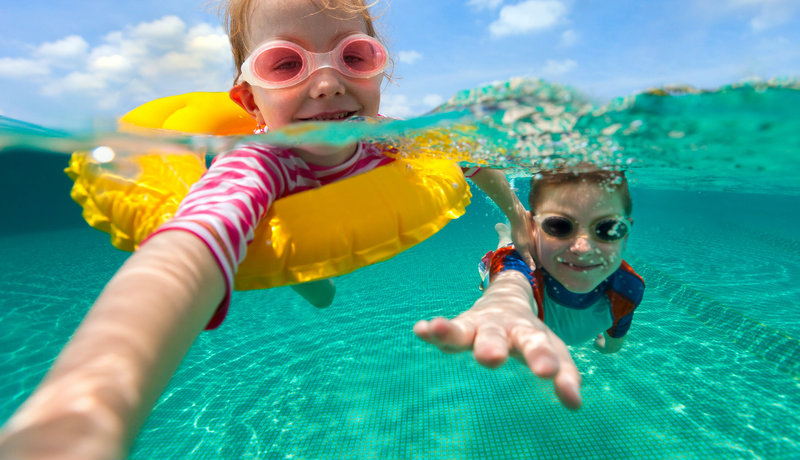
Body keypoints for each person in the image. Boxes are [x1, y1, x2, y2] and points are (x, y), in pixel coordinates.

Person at [0, 1, 529, 458]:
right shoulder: (255, 165)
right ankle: (303, 274)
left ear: (378, 73)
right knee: (295, 269)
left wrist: (517, 219)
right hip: (276, 220)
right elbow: (189, 245)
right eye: (285, 64)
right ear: (251, 102)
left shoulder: (392, 138)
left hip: (336, 213)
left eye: (354, 56)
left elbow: (470, 160)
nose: (326, 83)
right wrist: (80, 414)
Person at [414, 167, 645, 410]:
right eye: (559, 226)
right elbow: (510, 285)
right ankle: (505, 237)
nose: (583, 249)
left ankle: (510, 235)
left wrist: (608, 348)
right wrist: (503, 303)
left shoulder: (627, 288)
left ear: (625, 234)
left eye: (607, 229)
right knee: (497, 266)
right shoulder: (519, 264)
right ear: (533, 228)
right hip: (512, 259)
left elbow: (615, 339)